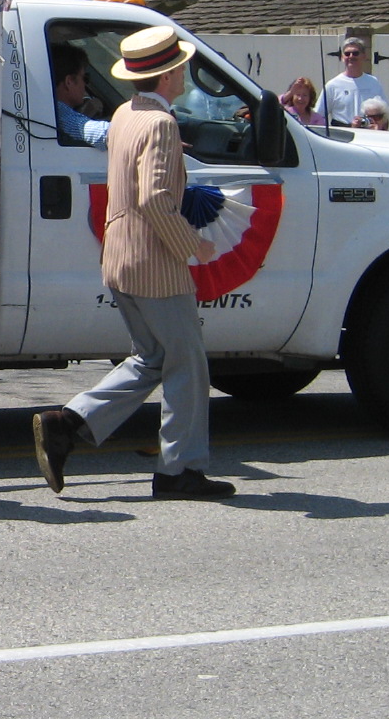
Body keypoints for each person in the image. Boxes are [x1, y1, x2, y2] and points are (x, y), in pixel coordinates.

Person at [30, 26, 236, 501]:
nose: (183, 71)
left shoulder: (126, 113)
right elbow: (158, 199)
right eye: (180, 65)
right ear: (168, 75)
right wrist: (194, 246)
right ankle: (178, 469)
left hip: (120, 255)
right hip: (154, 262)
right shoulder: (161, 124)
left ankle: (69, 422)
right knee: (187, 365)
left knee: (153, 358)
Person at [50, 42, 109, 148]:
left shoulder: (49, 109)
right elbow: (102, 135)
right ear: (69, 82)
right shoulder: (60, 113)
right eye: (85, 78)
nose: (85, 85)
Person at [319, 37, 386, 127]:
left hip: (368, 135)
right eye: (347, 54)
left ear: (364, 56)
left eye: (355, 53)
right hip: (342, 136)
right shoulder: (332, 85)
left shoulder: (373, 83)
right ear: (342, 57)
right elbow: (318, 116)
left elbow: (384, 115)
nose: (351, 56)